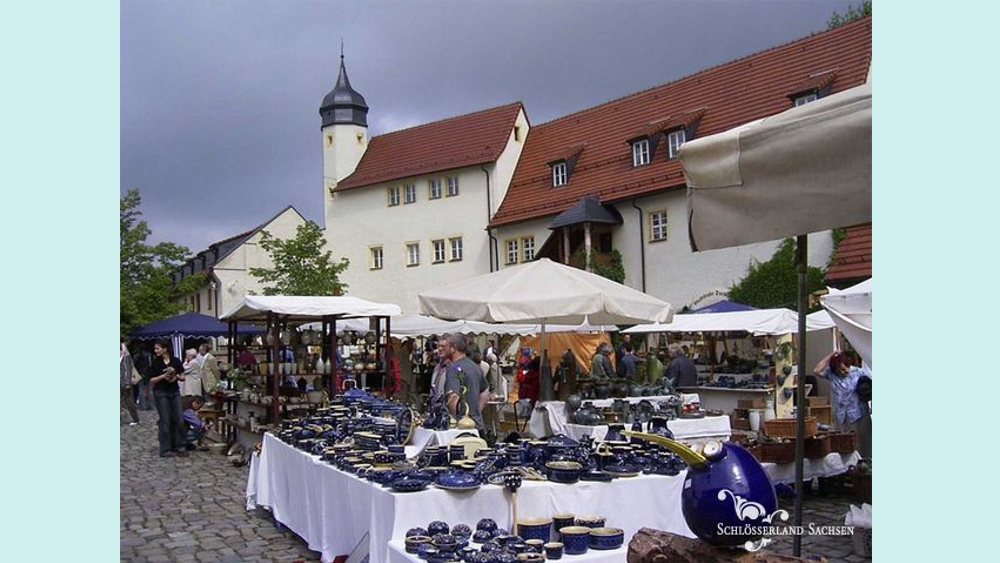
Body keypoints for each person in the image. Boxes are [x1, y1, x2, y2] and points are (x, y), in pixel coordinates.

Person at [814, 351, 872, 460]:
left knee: (863, 445)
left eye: (845, 369)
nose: (842, 372)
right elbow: (817, 370)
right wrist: (832, 355)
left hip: (858, 414)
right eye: (839, 370)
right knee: (844, 445)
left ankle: (866, 467)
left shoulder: (859, 372)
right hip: (841, 416)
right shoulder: (831, 375)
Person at [442, 333, 490, 432]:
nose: (442, 349)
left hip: (461, 428)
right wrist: (476, 412)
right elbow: (485, 392)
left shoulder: (454, 368)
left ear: (453, 348)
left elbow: (453, 397)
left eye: (446, 346)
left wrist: (454, 420)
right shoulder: (475, 366)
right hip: (477, 425)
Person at [148, 339, 188, 457]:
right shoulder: (156, 363)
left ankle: (180, 446)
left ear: (165, 349)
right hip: (161, 393)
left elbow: (182, 375)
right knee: (165, 421)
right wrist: (163, 376)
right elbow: (151, 380)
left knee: (179, 419)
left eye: (157, 348)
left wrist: (176, 377)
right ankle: (165, 449)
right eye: (155, 349)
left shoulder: (175, 361)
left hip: (174, 392)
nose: (155, 351)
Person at [120, 343, 140, 425]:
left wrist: (128, 383)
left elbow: (129, 370)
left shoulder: (126, 357)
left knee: (128, 401)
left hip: (124, 382)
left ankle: (136, 419)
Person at [133, 344, 153, 410]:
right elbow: (150, 365)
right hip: (148, 373)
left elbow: (133, 366)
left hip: (140, 373)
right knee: (149, 390)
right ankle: (150, 405)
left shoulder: (136, 356)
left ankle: (142, 406)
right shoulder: (149, 355)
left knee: (140, 390)